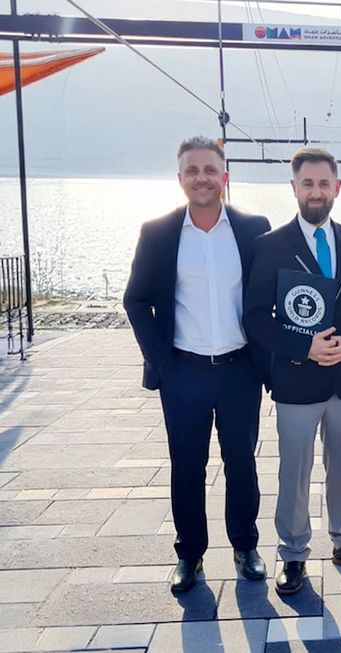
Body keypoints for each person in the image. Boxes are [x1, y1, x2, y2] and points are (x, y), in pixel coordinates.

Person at [124, 136, 270, 593]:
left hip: (238, 369)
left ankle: (246, 546)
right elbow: (135, 299)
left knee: (241, 462)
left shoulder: (253, 229)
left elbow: (268, 298)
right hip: (182, 371)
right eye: (193, 170)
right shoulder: (157, 232)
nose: (202, 178)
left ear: (225, 178)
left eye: (211, 170)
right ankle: (189, 555)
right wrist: (162, 361)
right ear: (180, 178)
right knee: (186, 465)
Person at [243, 147, 341, 595]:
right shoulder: (270, 246)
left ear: (337, 188)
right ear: (294, 188)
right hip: (296, 380)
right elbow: (256, 317)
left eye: (325, 184)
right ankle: (293, 553)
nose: (316, 192)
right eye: (308, 183)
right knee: (295, 470)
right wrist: (305, 347)